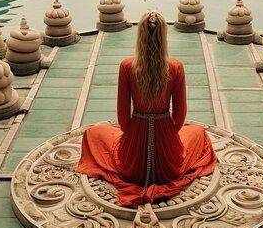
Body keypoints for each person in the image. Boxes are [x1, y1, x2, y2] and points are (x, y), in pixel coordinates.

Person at [77, 11, 217, 207]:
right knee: (197, 133)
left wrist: (135, 136)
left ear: (140, 35)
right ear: (164, 35)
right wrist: (166, 135)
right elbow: (180, 115)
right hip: (168, 162)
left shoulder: (127, 66)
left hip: (132, 161)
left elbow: (123, 118)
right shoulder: (176, 66)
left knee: (94, 133)